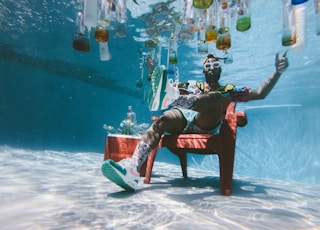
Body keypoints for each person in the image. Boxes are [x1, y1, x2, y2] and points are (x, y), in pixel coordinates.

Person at [101, 51, 289, 191]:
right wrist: (152, 72)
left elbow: (260, 93)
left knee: (216, 97)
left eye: (215, 64)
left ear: (220, 69)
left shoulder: (229, 89)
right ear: (203, 71)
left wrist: (277, 73)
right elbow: (162, 85)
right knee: (162, 120)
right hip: (184, 119)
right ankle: (133, 169)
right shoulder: (192, 85)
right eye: (207, 65)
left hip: (206, 123)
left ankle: (175, 99)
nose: (211, 68)